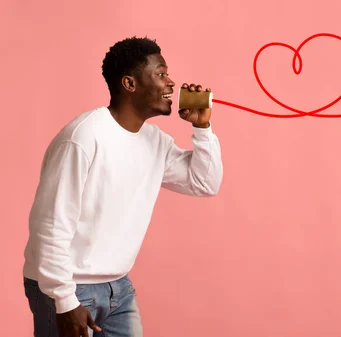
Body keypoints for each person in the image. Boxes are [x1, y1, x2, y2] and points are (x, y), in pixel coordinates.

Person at [22, 36, 223, 337]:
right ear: (130, 84)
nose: (171, 83)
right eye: (160, 74)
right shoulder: (83, 137)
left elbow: (204, 182)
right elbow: (49, 225)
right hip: (66, 285)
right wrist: (64, 300)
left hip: (119, 287)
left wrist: (202, 127)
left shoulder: (154, 142)